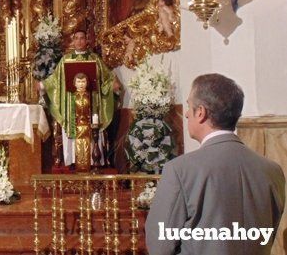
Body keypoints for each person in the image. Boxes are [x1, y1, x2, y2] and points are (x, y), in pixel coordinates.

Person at [146, 74, 285, 255]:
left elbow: (160, 247)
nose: (186, 113)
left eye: (189, 106)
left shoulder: (179, 170)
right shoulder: (272, 171)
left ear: (201, 112)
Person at [41, 29, 116, 170]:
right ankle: (73, 161)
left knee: (92, 127)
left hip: (91, 102)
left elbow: (106, 79)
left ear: (87, 40)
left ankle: (95, 160)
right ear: (73, 41)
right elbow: (55, 80)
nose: (79, 41)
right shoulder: (66, 59)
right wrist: (43, 84)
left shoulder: (95, 59)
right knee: (73, 128)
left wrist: (113, 85)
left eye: (82, 38)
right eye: (76, 38)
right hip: (71, 103)